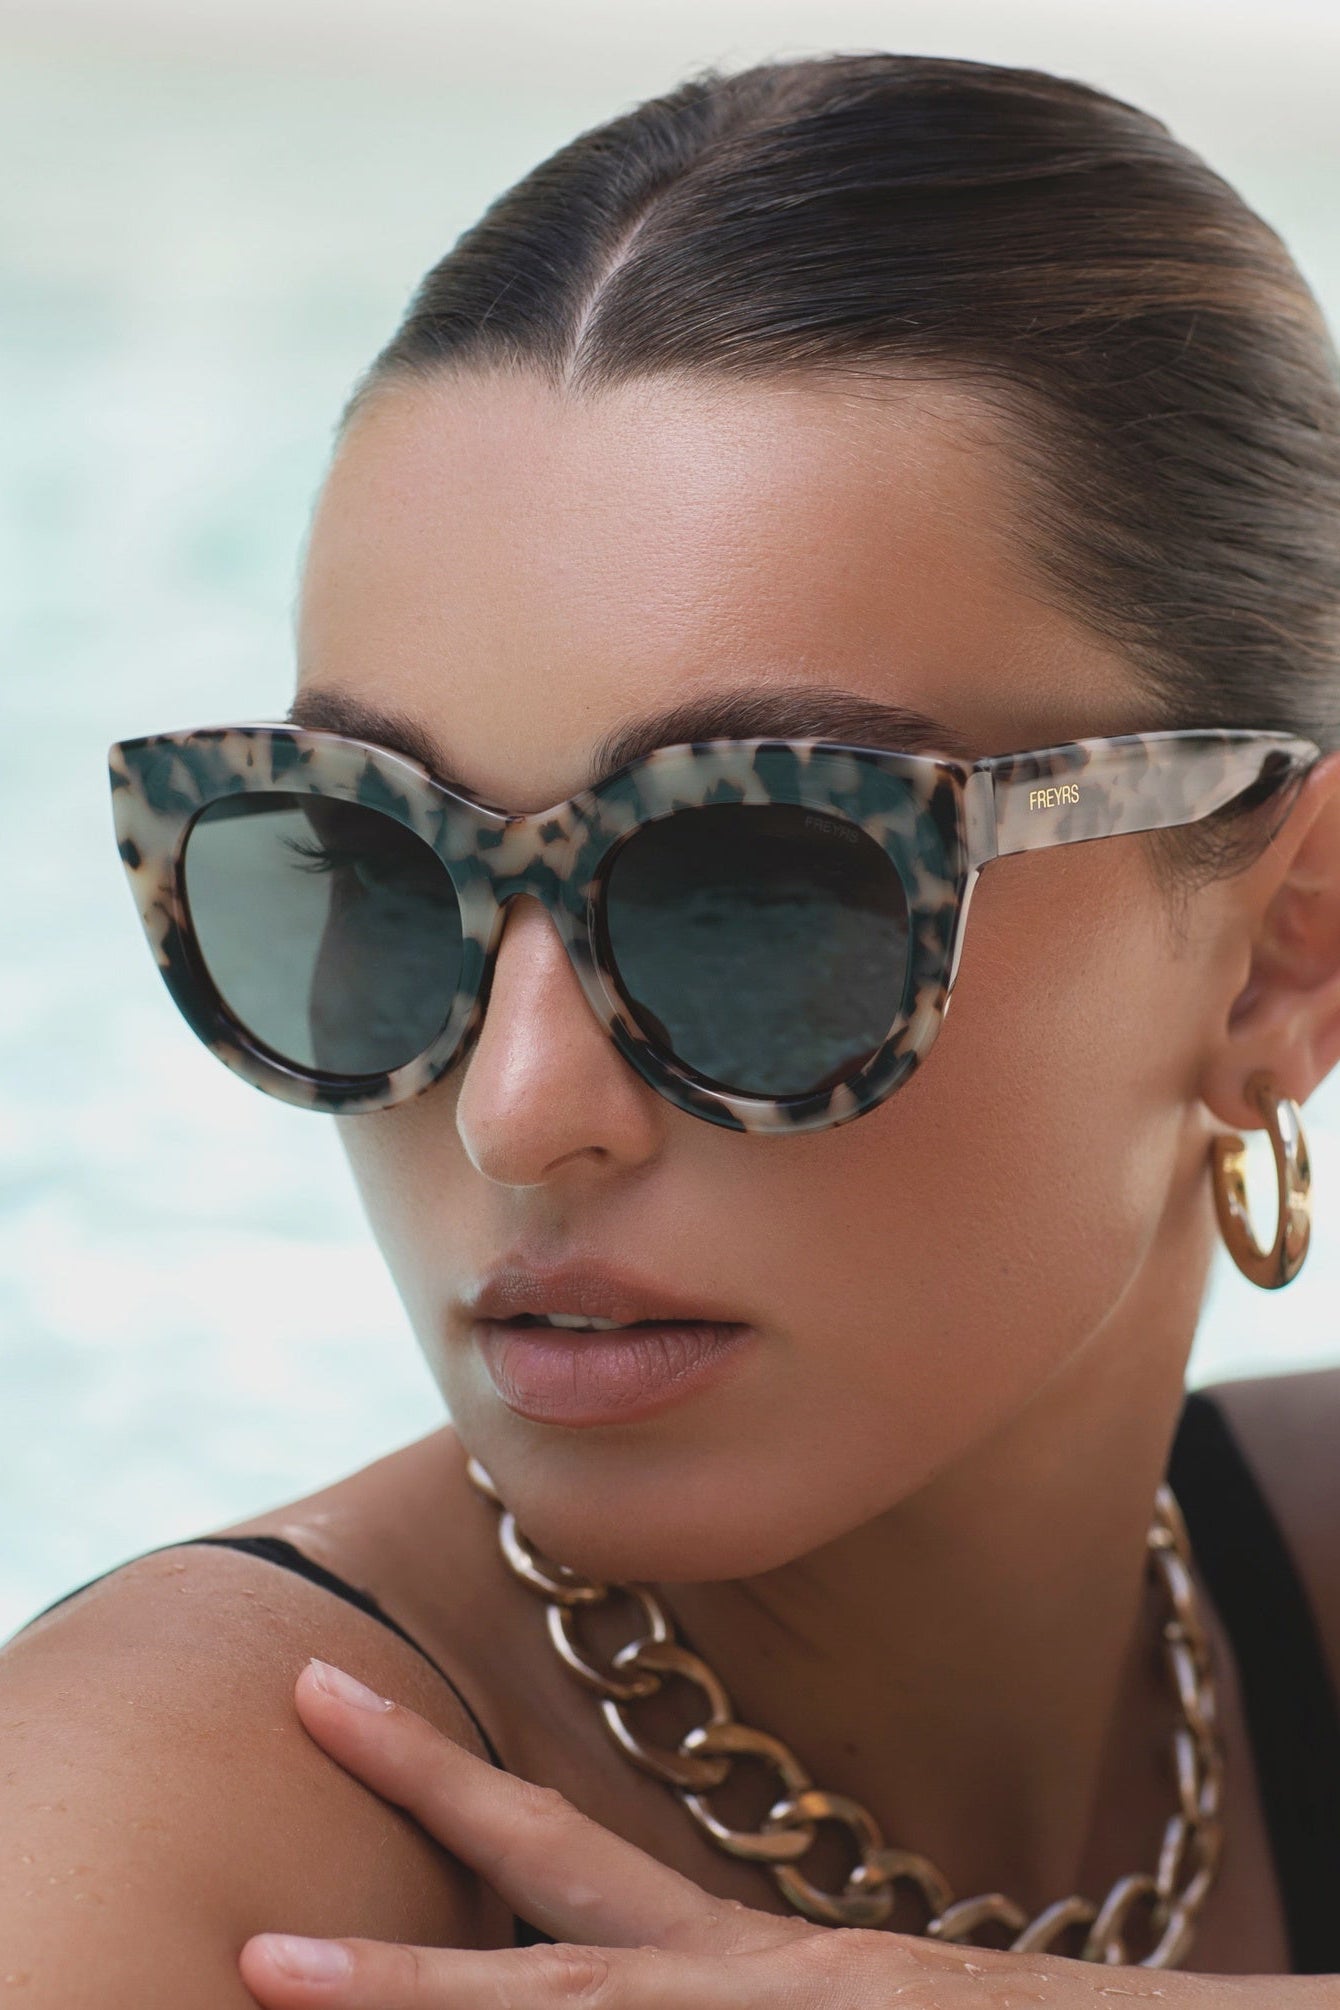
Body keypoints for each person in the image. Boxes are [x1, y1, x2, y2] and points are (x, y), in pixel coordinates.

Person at [4, 48, 1340, 2005]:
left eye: (754, 886)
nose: (520, 1115)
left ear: (1278, 953)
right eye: (375, 869)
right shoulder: (142, 1848)